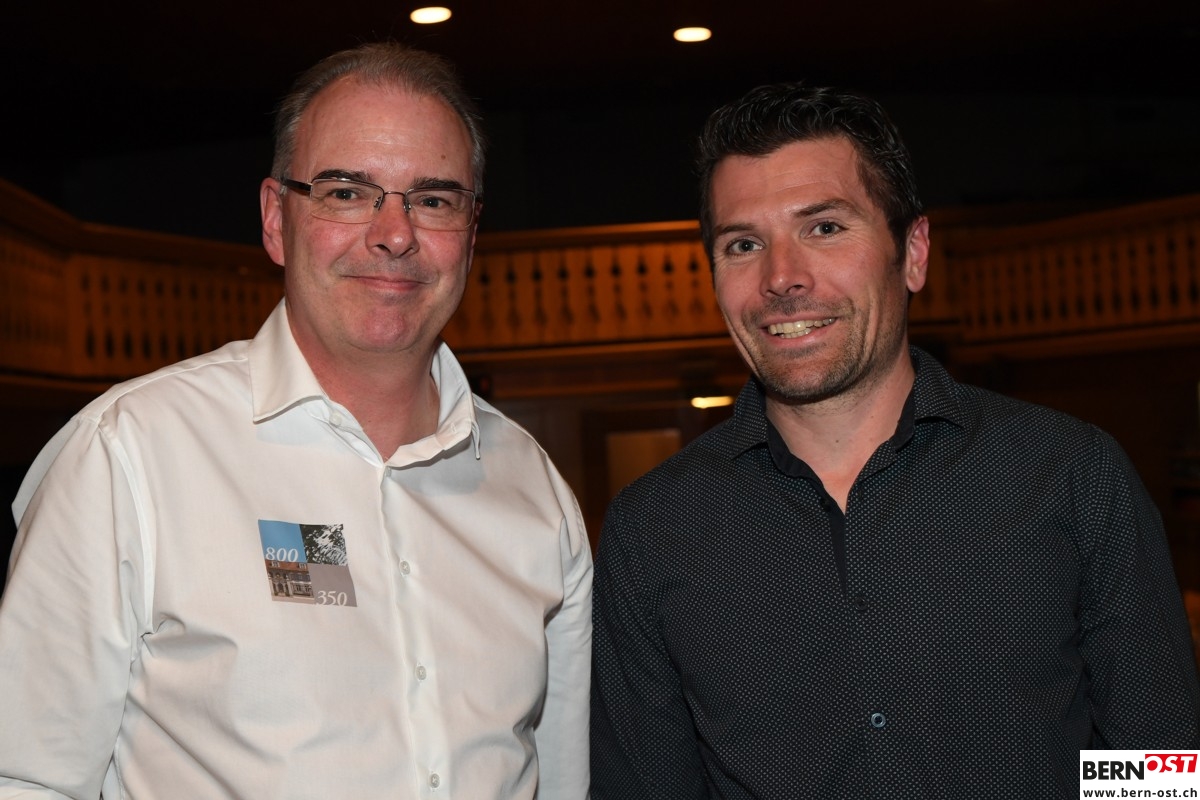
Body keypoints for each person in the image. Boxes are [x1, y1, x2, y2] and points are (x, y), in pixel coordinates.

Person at [0, 42, 591, 799]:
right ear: (277, 219)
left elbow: (564, 780)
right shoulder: (131, 454)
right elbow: (27, 777)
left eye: (434, 200)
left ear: (472, 233)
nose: (395, 233)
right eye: (347, 192)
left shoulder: (535, 490)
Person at [590, 83, 1200, 798]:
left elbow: (1158, 765)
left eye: (825, 228)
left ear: (912, 253)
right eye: (743, 244)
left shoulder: (1069, 474)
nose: (781, 277)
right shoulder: (653, 529)